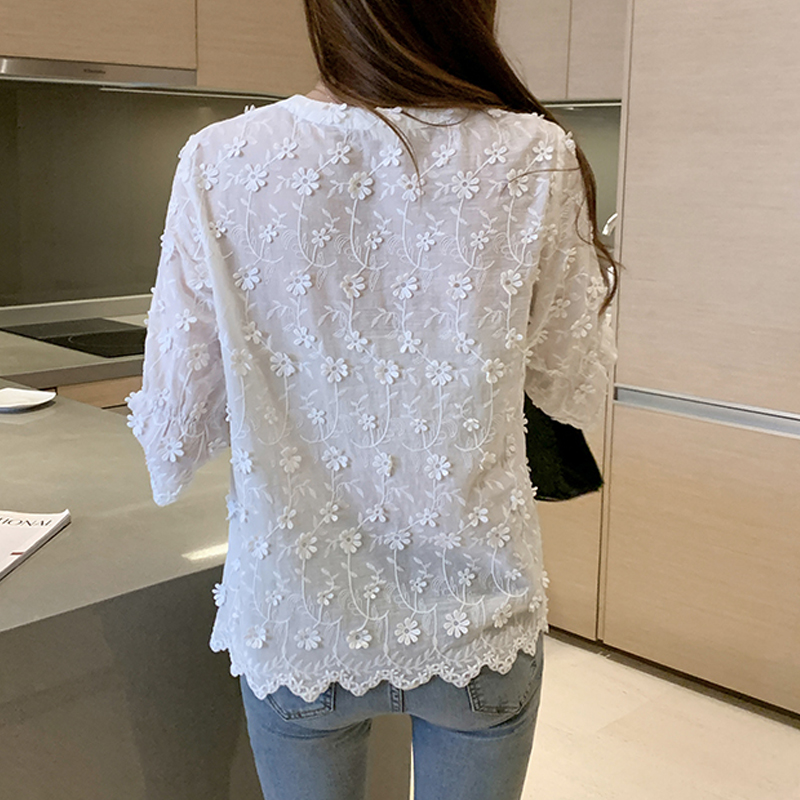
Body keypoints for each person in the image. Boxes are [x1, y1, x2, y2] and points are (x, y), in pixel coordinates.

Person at [127, 0, 618, 797]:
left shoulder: (220, 158)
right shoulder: (537, 156)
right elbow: (573, 378)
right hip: (476, 617)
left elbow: (175, 428)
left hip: (300, 623)